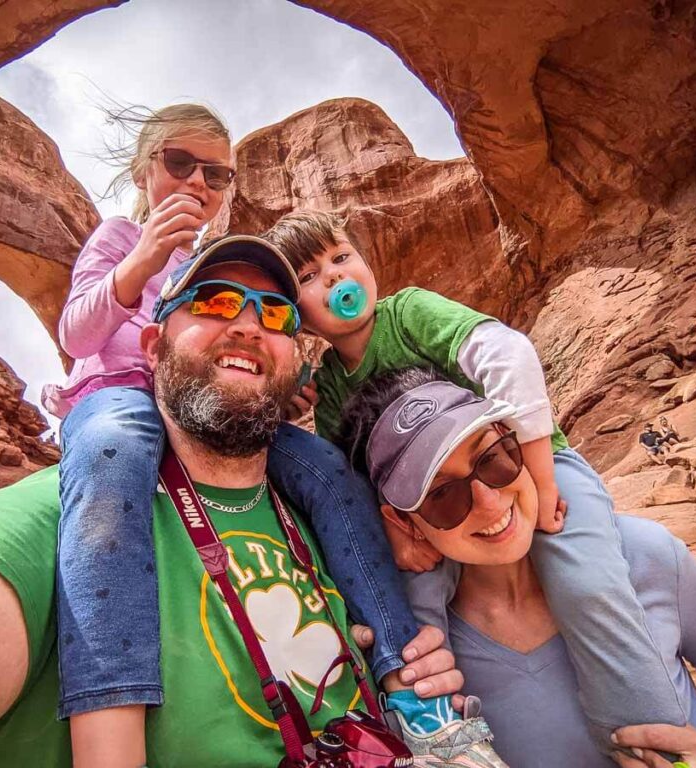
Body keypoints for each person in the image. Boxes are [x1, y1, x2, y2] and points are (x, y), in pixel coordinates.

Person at [0, 245, 464, 768]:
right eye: (217, 303)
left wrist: (417, 666)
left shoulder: (317, 508)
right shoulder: (64, 522)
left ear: (295, 357)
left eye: (274, 315)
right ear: (154, 342)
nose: (249, 326)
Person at [42, 105, 459, 765]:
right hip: (119, 396)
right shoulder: (121, 235)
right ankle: (108, 738)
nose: (198, 184)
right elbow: (77, 334)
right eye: (181, 164)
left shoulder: (209, 261)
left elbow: (235, 355)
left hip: (198, 406)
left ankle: (411, 689)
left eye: (217, 174)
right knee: (111, 455)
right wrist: (144, 255)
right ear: (144, 167)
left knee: (323, 468)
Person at [262, 210, 691, 752]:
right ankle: (440, 740)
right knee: (412, 619)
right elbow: (353, 480)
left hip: (528, 467)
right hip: (439, 515)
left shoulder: (409, 313)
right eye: (308, 277)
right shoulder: (328, 387)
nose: (334, 277)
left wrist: (540, 476)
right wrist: (397, 533)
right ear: (294, 317)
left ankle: (651, 742)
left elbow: (505, 354)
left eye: (341, 257)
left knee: (589, 586)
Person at [337, 367, 696, 767]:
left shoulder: (643, 555)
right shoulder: (419, 660)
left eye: (493, 458)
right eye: (442, 494)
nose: (489, 499)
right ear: (403, 523)